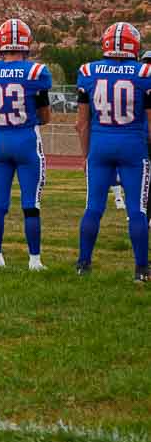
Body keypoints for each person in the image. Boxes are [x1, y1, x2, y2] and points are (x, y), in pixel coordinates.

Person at [0, 19, 52, 270]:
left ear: (1, 44)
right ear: (26, 43)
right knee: (31, 204)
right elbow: (46, 116)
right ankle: (35, 260)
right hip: (26, 139)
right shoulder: (35, 72)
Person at [76, 22, 150, 282]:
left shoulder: (88, 71)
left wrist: (86, 154)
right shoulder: (145, 73)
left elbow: (81, 123)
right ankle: (141, 270)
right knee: (137, 209)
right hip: (132, 145)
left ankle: (83, 264)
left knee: (93, 207)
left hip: (100, 144)